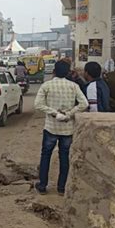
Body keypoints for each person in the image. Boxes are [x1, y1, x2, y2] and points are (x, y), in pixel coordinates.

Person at [34, 60, 89, 196]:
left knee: (45, 156)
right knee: (64, 157)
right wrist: (69, 113)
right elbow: (84, 104)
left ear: (54, 71)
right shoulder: (74, 86)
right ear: (68, 72)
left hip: (51, 127)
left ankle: (42, 186)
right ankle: (61, 188)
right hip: (67, 128)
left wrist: (54, 113)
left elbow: (38, 104)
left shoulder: (47, 85)